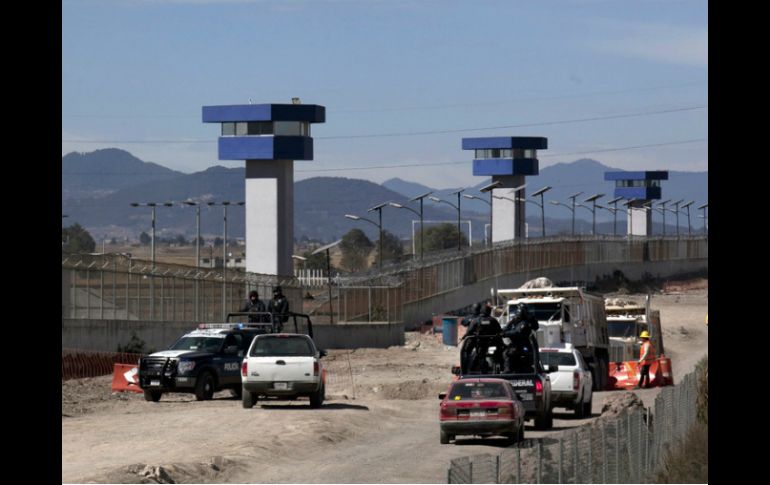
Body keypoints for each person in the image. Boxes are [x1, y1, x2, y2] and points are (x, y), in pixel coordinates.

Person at [502, 303, 541, 374]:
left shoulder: (525, 323)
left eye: (519, 311)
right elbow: (506, 328)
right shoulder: (515, 321)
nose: (517, 313)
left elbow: (518, 332)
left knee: (509, 353)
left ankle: (508, 369)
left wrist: (506, 333)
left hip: (523, 344)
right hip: (515, 344)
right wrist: (509, 324)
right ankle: (508, 368)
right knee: (505, 351)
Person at [466, 301, 503, 373]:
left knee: (478, 355)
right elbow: (499, 331)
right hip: (492, 342)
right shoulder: (493, 320)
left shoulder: (475, 320)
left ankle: (476, 368)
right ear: (489, 311)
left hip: (480, 343)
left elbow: (469, 331)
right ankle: (500, 366)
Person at [460, 303, 483, 374]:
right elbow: (463, 322)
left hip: (474, 338)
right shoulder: (482, 317)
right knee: (467, 351)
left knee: (466, 352)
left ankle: (465, 369)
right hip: (480, 339)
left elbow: (463, 322)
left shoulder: (474, 317)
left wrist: (470, 321)